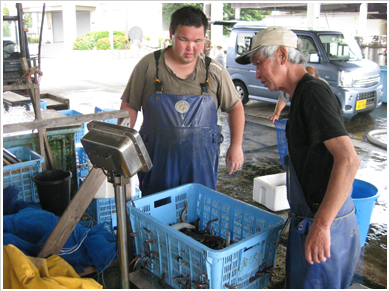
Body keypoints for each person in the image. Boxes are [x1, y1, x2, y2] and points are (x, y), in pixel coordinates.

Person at [235, 26, 361, 289]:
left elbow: (349, 160)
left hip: (325, 226)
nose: (256, 74)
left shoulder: (313, 92)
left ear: (282, 55)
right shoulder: (300, 94)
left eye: (259, 64)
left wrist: (322, 226)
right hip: (310, 219)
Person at [119, 6, 245, 196]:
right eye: (183, 39)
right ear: (171, 34)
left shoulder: (214, 71)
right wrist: (122, 146)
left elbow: (235, 107)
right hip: (156, 162)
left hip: (201, 165)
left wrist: (236, 145)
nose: (190, 48)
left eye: (198, 41)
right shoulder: (148, 66)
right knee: (157, 211)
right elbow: (130, 106)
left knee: (199, 214)